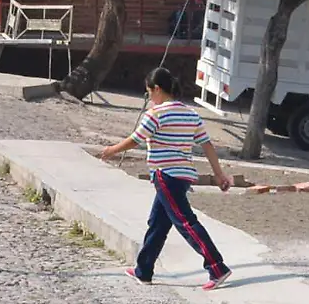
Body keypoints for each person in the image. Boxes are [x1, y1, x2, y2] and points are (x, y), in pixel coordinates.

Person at [99, 67, 233, 291]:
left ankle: (217, 267)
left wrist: (112, 150)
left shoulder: (156, 114)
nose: (149, 97)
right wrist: (219, 174)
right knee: (158, 223)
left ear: (157, 89)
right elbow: (207, 145)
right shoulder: (190, 113)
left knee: (186, 223)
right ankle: (144, 270)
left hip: (165, 174)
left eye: (148, 92)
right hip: (183, 176)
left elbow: (136, 139)